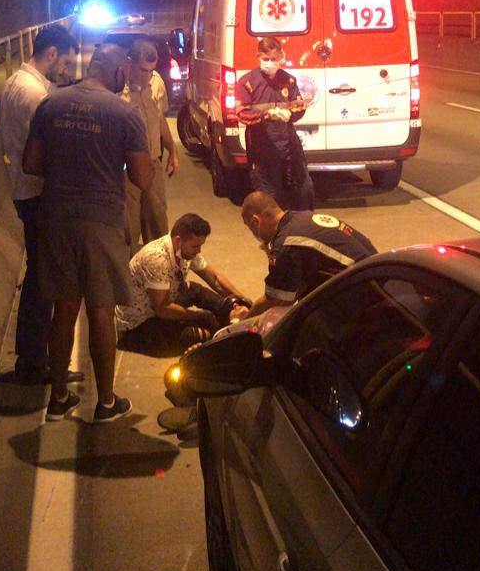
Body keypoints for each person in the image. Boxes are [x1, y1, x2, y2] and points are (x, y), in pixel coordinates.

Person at [22, 43, 153, 422]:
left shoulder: (51, 104)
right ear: (117, 72)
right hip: (101, 224)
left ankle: (58, 398)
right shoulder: (124, 113)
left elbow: (31, 163)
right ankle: (106, 403)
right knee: (101, 311)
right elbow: (143, 178)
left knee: (64, 310)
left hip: (56, 219)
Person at [0, 24, 83, 384]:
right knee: (43, 280)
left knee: (39, 276)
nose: (66, 71)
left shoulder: (15, 83)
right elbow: (47, 150)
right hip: (37, 194)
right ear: (51, 54)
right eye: (65, 63)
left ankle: (37, 359)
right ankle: (34, 363)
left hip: (25, 191)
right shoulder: (34, 95)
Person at [115, 212, 251, 349]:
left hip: (163, 302)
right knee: (203, 335)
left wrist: (243, 300)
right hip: (140, 324)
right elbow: (162, 308)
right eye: (195, 246)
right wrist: (199, 316)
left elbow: (215, 278)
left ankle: (233, 313)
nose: (199, 251)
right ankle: (224, 331)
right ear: (178, 241)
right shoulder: (156, 259)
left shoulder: (185, 249)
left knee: (194, 289)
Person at [239, 190, 378, 315]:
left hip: (365, 293)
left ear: (255, 222)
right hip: (377, 273)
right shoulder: (301, 217)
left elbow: (276, 300)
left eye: (251, 229)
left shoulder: (286, 243)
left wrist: (243, 320)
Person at [235, 35, 315, 210]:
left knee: (305, 190)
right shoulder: (247, 83)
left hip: (288, 144)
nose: (270, 63)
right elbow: (241, 114)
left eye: (274, 59)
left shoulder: (289, 80)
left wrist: (290, 113)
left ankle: (304, 223)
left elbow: (299, 106)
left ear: (281, 57)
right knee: (269, 199)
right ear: (258, 56)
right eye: (266, 59)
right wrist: (266, 115)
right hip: (262, 147)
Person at [121, 38, 179, 252]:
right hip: (127, 167)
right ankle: (128, 266)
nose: (147, 76)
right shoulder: (117, 87)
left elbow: (159, 118)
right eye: (142, 70)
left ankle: (158, 266)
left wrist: (172, 149)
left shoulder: (156, 82)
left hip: (152, 162)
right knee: (129, 223)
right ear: (130, 63)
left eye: (151, 70)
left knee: (157, 220)